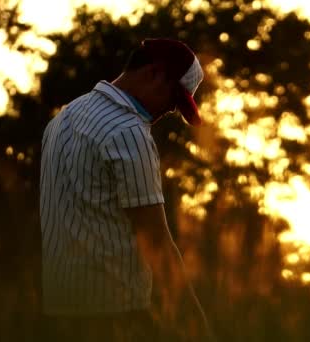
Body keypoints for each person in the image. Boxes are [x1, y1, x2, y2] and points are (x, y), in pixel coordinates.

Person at [39, 38, 206, 341]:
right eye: (172, 101)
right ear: (155, 74)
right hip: (114, 318)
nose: (168, 112)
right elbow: (156, 243)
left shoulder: (61, 120)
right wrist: (197, 326)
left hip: (55, 317)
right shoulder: (128, 131)